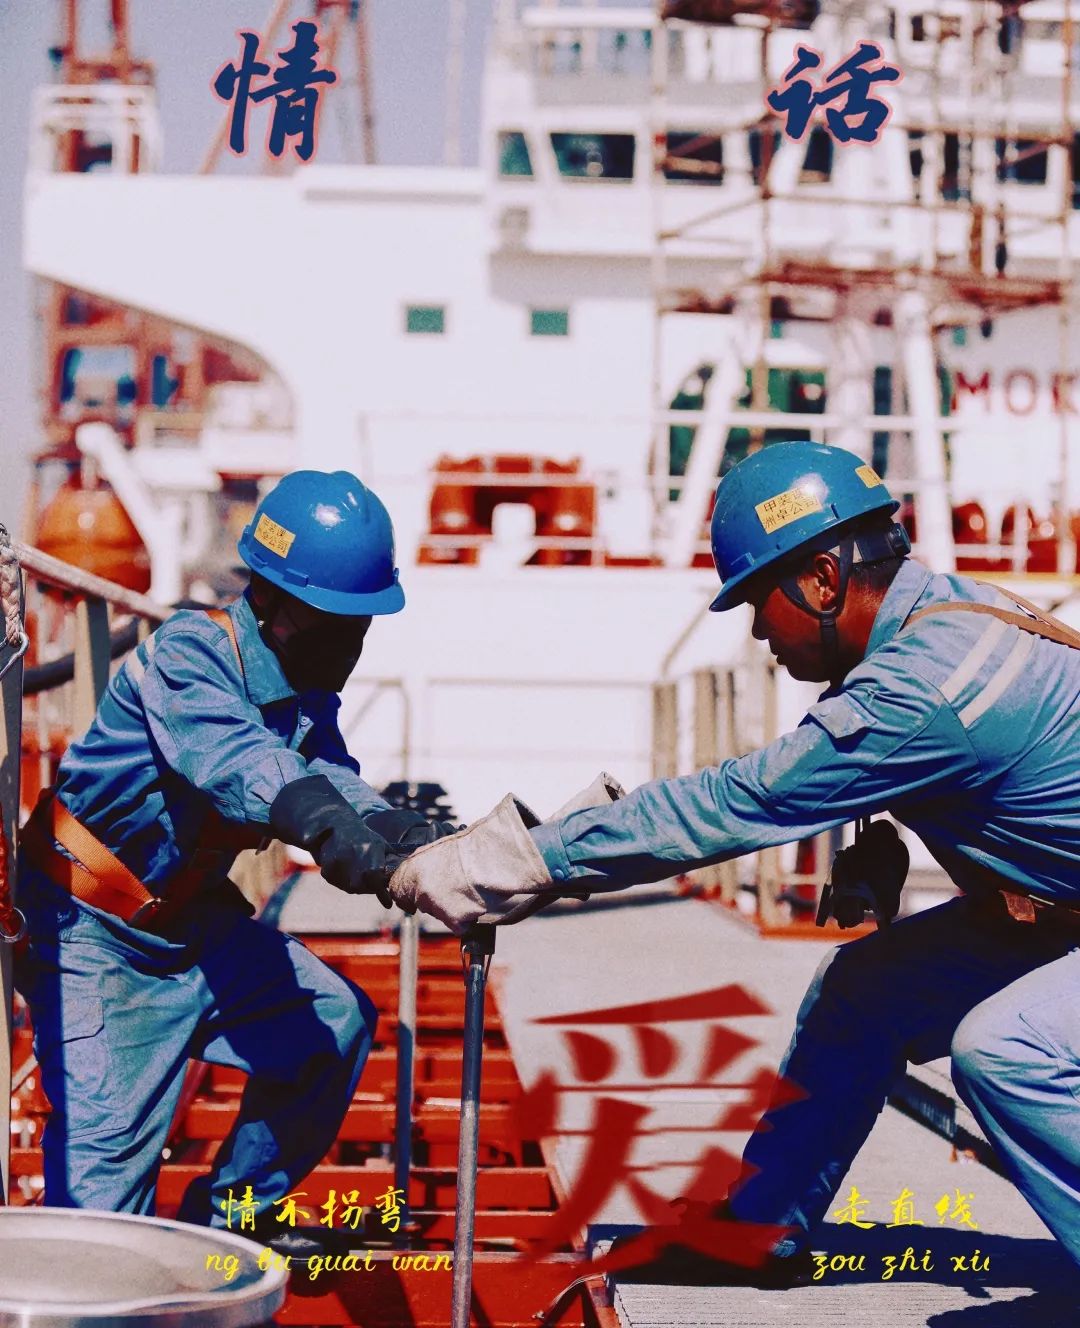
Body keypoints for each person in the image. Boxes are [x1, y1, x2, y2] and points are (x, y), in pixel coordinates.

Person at [390, 440, 1080, 1284]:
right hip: (1057, 908)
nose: (757, 631)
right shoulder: (950, 616)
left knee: (1007, 1051)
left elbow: (733, 804)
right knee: (866, 994)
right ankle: (760, 1227)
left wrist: (529, 857)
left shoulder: (918, 690)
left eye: (758, 600)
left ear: (822, 580)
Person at [16, 469, 454, 1239]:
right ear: (281, 607)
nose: (352, 639)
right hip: (94, 937)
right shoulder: (190, 654)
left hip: (185, 925)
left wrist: (402, 831)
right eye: (340, 620)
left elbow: (327, 771)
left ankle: (234, 1219)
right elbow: (240, 761)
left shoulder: (300, 683)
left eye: (361, 622)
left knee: (332, 1027)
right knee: (99, 1221)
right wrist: (326, 825)